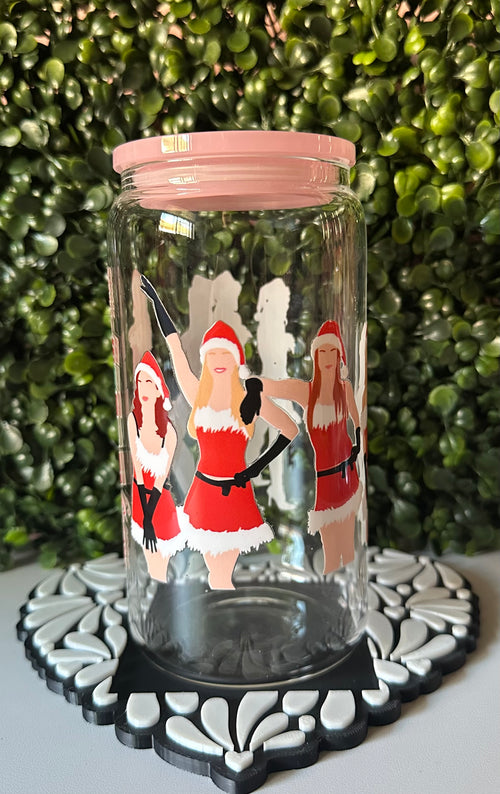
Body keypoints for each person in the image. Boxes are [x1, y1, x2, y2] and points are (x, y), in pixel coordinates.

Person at [140, 275, 299, 590]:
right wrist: (157, 303)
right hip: (204, 491)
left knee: (224, 569)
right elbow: (176, 351)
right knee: (215, 571)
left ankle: (228, 603)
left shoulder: (250, 399)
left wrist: (255, 468)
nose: (217, 360)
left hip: (235, 492)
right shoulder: (198, 395)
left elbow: (289, 428)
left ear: (236, 358)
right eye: (211, 355)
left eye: (224, 354)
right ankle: (220, 603)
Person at [244, 320, 362, 575]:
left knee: (347, 543)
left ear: (340, 356)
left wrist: (358, 445)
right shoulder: (306, 391)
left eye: (333, 352)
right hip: (326, 477)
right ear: (315, 357)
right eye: (322, 352)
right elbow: (267, 386)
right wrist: (254, 392)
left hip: (347, 474)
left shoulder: (345, 389)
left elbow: (357, 419)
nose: (328, 358)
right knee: (330, 542)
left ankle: (342, 587)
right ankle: (332, 586)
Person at [128, 351, 184, 582]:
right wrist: (145, 519)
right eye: (140, 382)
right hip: (141, 494)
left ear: (159, 388)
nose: (143, 388)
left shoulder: (169, 432)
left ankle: (165, 587)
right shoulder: (133, 421)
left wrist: (150, 518)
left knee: (163, 550)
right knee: (149, 553)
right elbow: (137, 467)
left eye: (149, 382)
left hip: (159, 498)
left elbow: (161, 478)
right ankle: (156, 586)